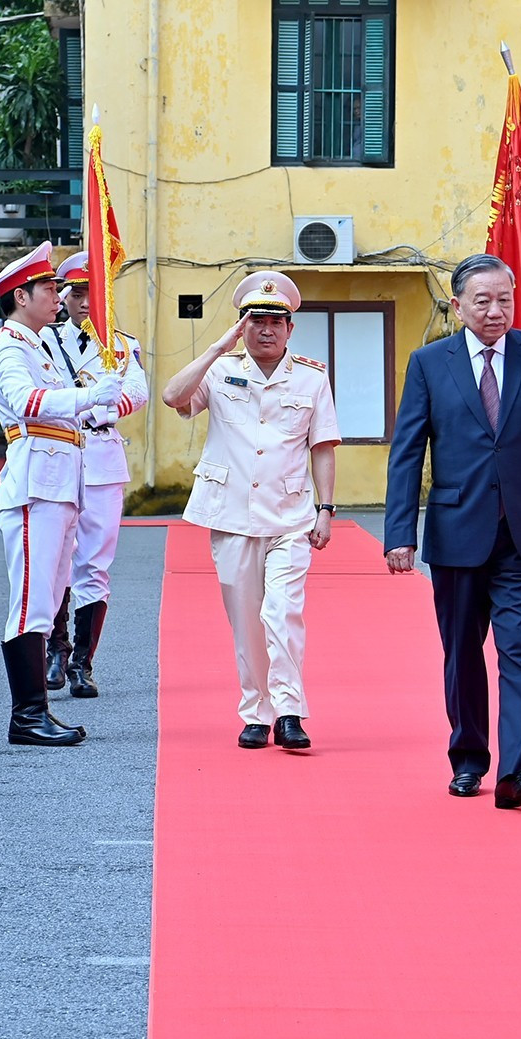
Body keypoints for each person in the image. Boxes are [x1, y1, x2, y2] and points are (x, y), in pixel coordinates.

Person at [383, 253, 521, 808]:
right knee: (462, 653)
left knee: (520, 648)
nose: (496, 312)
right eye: (483, 301)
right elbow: (407, 453)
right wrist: (400, 531)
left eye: (504, 300)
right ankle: (469, 757)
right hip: (456, 531)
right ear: (459, 305)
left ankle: (516, 772)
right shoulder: (429, 362)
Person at [163, 270, 338, 751]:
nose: (265, 328)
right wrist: (217, 348)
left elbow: (322, 446)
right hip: (231, 514)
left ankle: (288, 712)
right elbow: (173, 397)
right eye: (255, 320)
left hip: (290, 514)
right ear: (242, 326)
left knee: (282, 614)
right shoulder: (217, 372)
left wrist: (326, 508)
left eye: (275, 321)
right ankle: (255, 712)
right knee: (246, 620)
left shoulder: (312, 376)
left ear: (290, 328)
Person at [0, 242, 122, 747]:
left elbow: (72, 412)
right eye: (48, 288)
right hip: (34, 486)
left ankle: (37, 711)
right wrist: (88, 395)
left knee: (47, 597)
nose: (58, 296)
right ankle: (26, 716)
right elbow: (23, 401)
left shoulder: (43, 345)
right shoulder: (10, 345)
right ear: (22, 296)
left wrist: (100, 400)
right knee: (31, 604)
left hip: (62, 485)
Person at [40, 252, 151, 699]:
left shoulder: (121, 344)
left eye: (94, 292)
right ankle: (55, 649)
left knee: (95, 565)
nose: (87, 302)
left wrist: (102, 406)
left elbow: (138, 392)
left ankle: (83, 662)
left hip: (102, 454)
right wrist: (89, 400)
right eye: (78, 292)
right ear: (64, 295)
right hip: (60, 451)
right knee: (56, 560)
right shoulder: (42, 342)